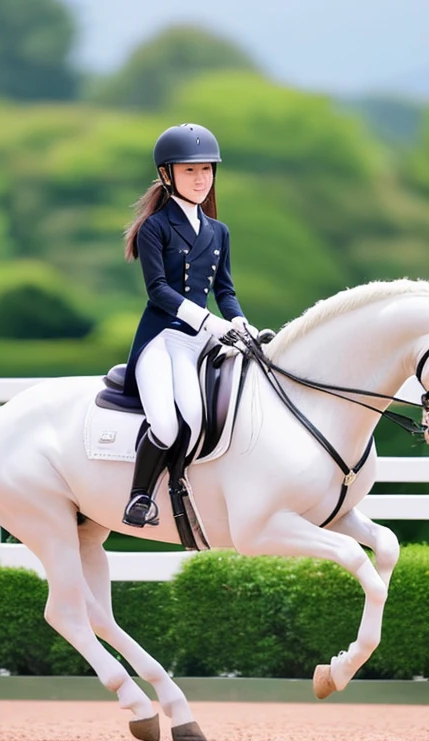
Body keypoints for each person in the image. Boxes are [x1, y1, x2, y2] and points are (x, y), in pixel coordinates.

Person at [121, 123, 256, 528]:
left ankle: (183, 489)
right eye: (189, 171)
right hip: (161, 340)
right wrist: (209, 322)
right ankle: (138, 497)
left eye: (206, 170)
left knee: (197, 421)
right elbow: (158, 290)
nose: (200, 180)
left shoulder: (218, 231)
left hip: (195, 345)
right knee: (165, 422)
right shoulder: (155, 228)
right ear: (168, 175)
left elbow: (225, 290)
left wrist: (240, 323)